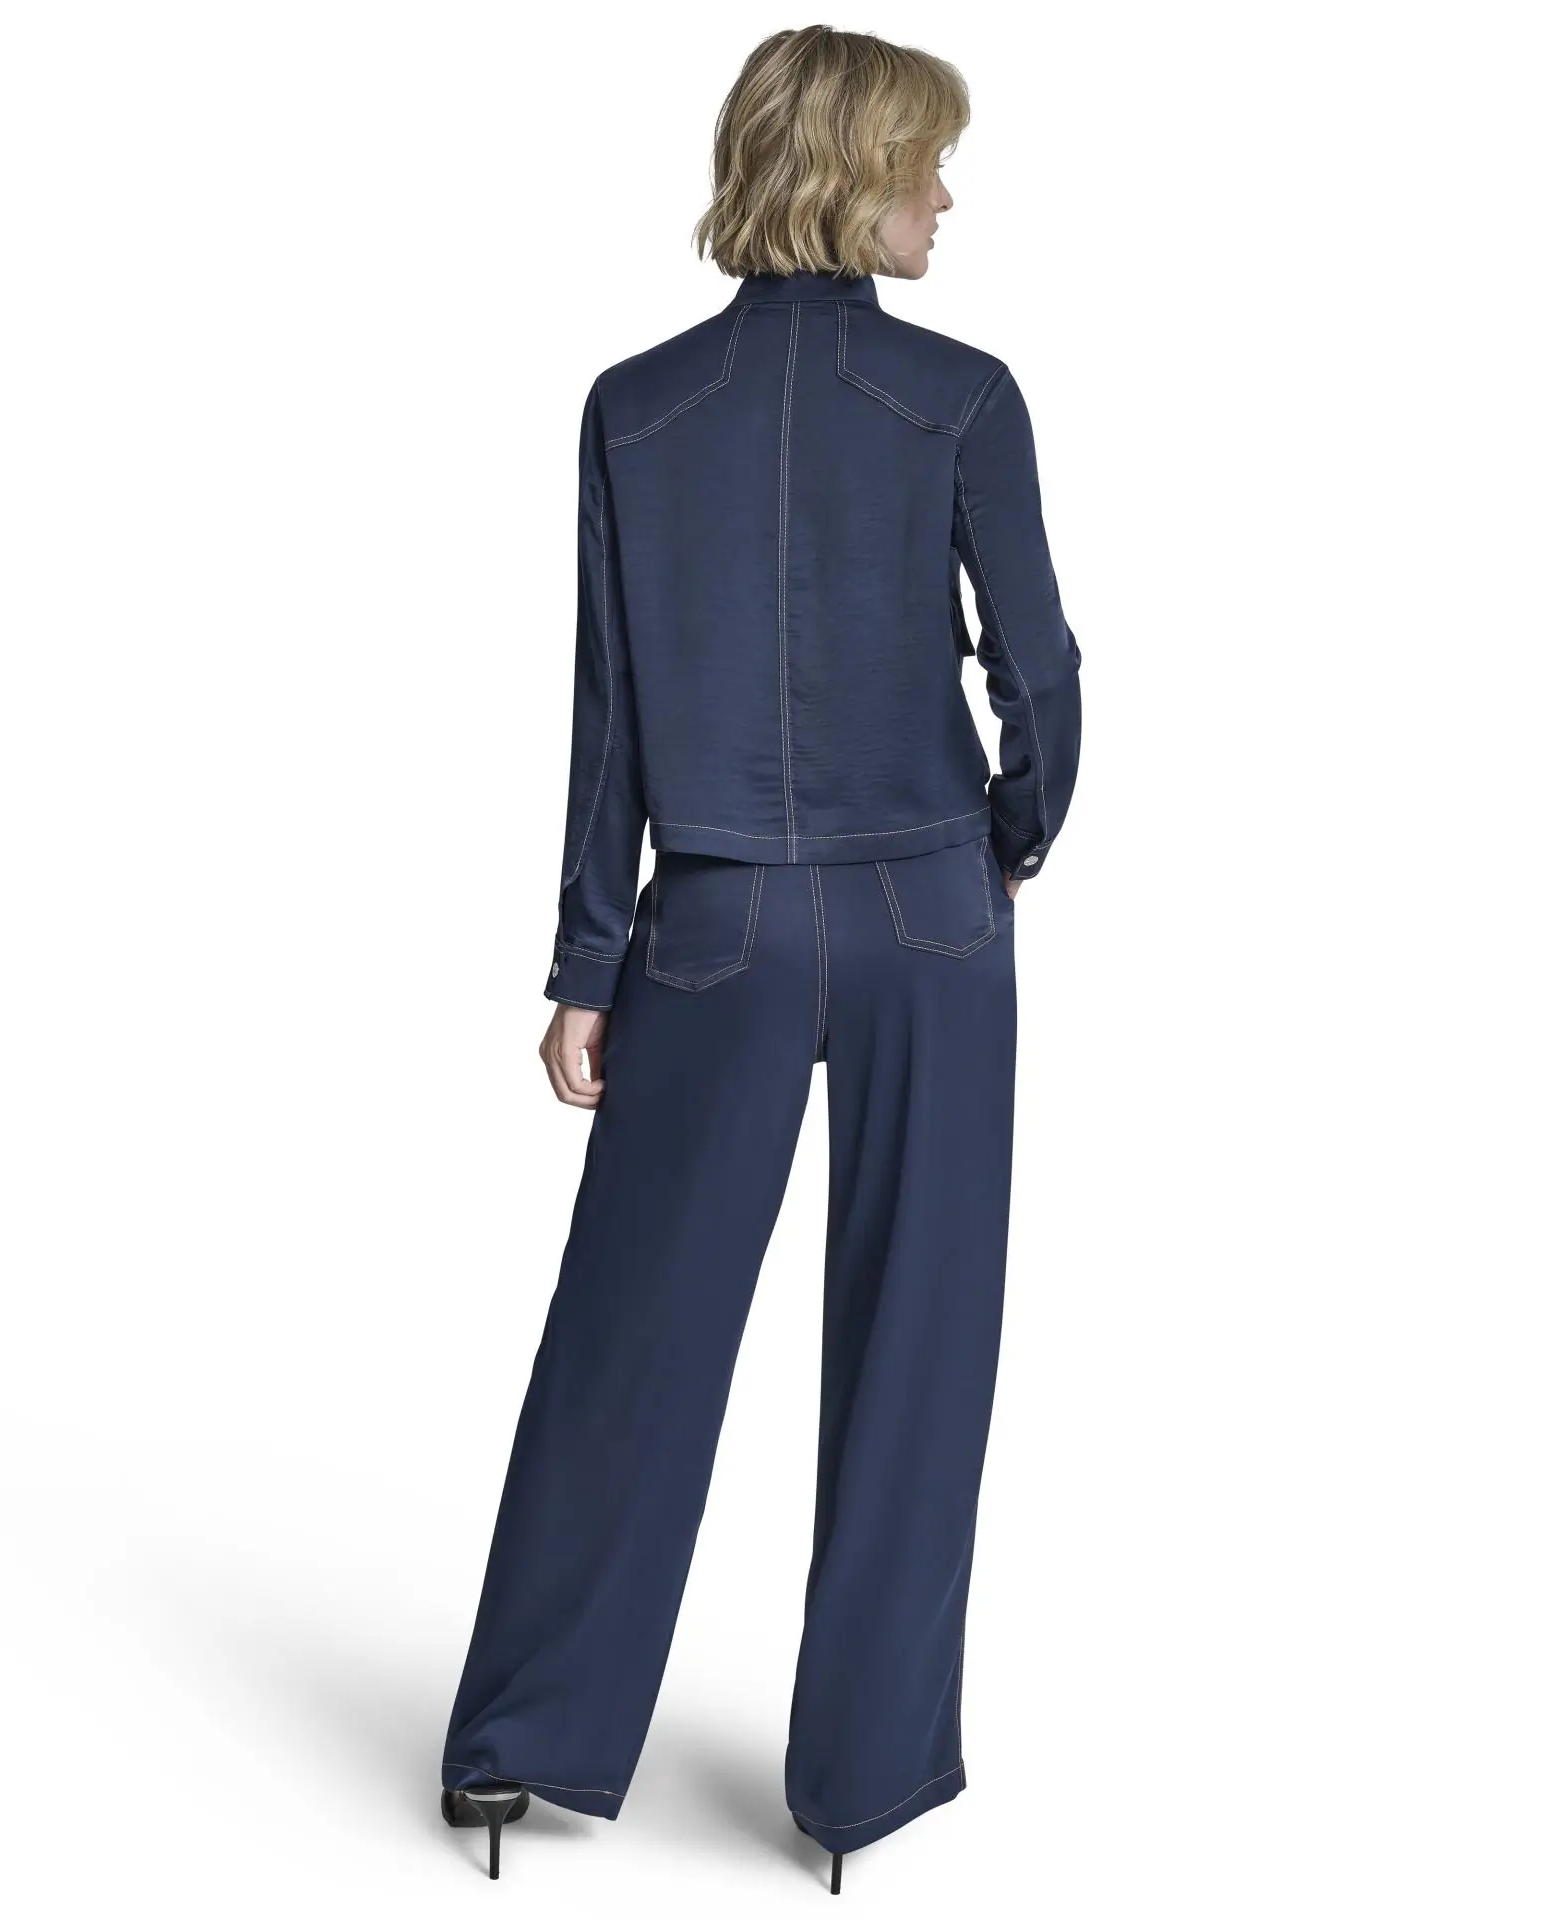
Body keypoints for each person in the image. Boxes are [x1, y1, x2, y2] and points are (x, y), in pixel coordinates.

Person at [439, 25, 1083, 1892]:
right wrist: (1012, 838)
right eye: (923, 163)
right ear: (853, 173)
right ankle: (861, 1786)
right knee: (917, 1349)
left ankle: (519, 1748)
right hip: (928, 918)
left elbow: (611, 717)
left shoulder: (634, 408)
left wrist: (587, 961)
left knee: (629, 1338)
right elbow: (1039, 672)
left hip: (711, 920)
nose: (947, 196)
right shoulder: (965, 399)